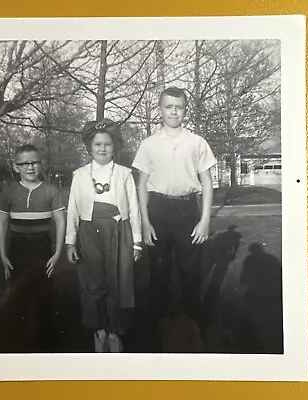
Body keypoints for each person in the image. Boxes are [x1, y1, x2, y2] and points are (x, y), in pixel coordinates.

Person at [132, 87, 217, 351]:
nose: (173, 112)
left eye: (178, 107)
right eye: (168, 107)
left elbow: (207, 182)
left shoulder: (197, 142)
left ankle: (193, 327)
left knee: (190, 273)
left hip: (187, 211)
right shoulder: (148, 145)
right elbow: (142, 185)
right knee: (158, 274)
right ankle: (157, 331)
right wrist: (145, 222)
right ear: (160, 109)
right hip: (158, 210)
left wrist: (204, 220)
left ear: (185, 110)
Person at [65, 118, 142, 353]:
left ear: (114, 147)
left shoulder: (124, 174)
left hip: (117, 230)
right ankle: (99, 329)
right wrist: (70, 240)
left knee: (118, 281)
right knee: (93, 283)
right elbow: (73, 209)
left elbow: (134, 206)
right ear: (90, 147)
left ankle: (115, 331)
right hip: (89, 232)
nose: (102, 149)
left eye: (107, 144)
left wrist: (137, 241)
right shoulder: (79, 175)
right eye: (97, 144)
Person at [0, 144, 66, 352]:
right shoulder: (9, 192)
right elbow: (2, 224)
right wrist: (2, 255)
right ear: (16, 167)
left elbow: (61, 222)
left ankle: (45, 341)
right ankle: (18, 340)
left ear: (41, 164)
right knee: (18, 294)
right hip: (17, 246)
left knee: (43, 293)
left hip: (41, 247)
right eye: (24, 163)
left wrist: (57, 254)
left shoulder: (50, 190)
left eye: (34, 162)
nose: (30, 167)